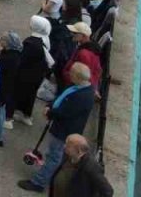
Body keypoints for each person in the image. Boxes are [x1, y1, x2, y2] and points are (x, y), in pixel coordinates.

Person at [19, 62, 95, 191]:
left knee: (54, 156)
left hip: (64, 131)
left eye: (72, 73)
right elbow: (62, 97)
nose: (69, 75)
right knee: (56, 156)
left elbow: (67, 112)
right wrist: (51, 105)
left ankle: (39, 183)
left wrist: (50, 112)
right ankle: (49, 178)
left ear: (77, 76)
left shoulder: (82, 96)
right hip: (63, 128)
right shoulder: (80, 88)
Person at [47, 133, 114, 196]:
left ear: (78, 150)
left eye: (68, 145)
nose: (64, 146)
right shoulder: (68, 156)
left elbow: (107, 191)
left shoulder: (91, 167)